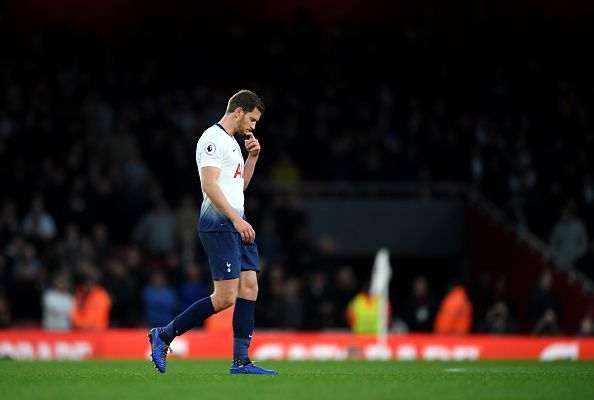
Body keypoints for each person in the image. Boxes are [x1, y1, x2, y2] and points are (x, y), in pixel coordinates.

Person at [148, 90, 276, 375]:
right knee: (225, 297)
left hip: (236, 220)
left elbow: (237, 188)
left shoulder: (232, 144)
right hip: (220, 224)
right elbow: (209, 185)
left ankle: (241, 361)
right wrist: (236, 220)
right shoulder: (212, 139)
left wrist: (252, 158)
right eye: (252, 119)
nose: (254, 126)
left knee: (250, 287)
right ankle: (164, 335)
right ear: (239, 111)